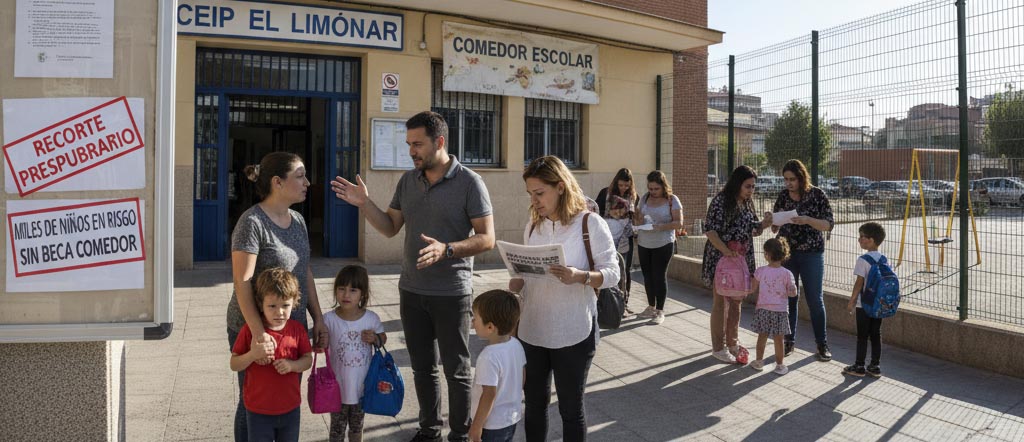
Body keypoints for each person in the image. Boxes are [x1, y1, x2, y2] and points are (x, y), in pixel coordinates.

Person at [330, 111, 495, 442]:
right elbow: (391, 227)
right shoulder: (408, 181)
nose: (411, 151)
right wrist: (365, 204)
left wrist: (447, 249)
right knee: (423, 368)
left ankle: (459, 434)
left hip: (451, 292)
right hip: (412, 290)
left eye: (417, 144)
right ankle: (429, 430)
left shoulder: (470, 182)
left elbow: (487, 238)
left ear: (440, 142)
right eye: (409, 144)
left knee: (457, 370)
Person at [510, 155, 620, 442]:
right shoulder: (533, 226)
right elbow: (527, 277)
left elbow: (613, 273)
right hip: (533, 329)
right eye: (530, 194)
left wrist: (580, 276)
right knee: (534, 405)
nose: (534, 200)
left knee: (571, 409)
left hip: (573, 331)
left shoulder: (590, 223)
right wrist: (517, 282)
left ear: (560, 187)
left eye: (539, 193)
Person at [228, 152, 328, 442]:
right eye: (300, 176)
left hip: (292, 327)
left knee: (284, 396)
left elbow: (304, 270)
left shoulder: (298, 221)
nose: (307, 182)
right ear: (277, 182)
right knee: (253, 402)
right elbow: (242, 282)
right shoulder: (252, 222)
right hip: (253, 327)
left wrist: (318, 318)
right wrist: (259, 335)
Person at [230, 268, 314, 442]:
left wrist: (292, 365)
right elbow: (234, 364)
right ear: (260, 304)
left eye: (285, 305)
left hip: (290, 409)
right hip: (258, 412)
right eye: (272, 306)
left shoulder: (297, 330)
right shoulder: (250, 332)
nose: (279, 312)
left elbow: (307, 360)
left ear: (294, 303)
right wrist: (252, 355)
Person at [703, 165, 772, 363]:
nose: (751, 190)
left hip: (742, 259)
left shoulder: (747, 203)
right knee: (720, 302)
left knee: (736, 300)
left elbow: (753, 229)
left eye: (753, 186)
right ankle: (718, 347)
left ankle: (732, 343)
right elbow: (710, 231)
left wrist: (765, 224)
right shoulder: (721, 201)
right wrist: (726, 250)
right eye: (747, 186)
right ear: (737, 184)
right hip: (722, 259)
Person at [772, 159, 835, 361]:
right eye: (786, 179)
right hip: (787, 254)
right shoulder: (783, 196)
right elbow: (774, 226)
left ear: (801, 177)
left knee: (815, 299)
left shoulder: (817, 195)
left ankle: (822, 344)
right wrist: (772, 221)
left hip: (812, 254)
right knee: (790, 298)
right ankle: (789, 341)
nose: (788, 183)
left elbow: (828, 224)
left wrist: (807, 220)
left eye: (792, 179)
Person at [324, 265, 388, 442]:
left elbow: (383, 338)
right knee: (336, 429)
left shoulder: (371, 318)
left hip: (362, 387)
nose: (346, 295)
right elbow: (320, 341)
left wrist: (375, 338)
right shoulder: (328, 319)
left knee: (357, 427)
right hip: (336, 388)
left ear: (363, 294)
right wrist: (320, 342)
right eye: (341, 289)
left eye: (353, 290)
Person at [468, 290, 526, 442]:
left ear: (490, 327)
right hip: (510, 419)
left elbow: (489, 394)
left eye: (475, 318)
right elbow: (522, 376)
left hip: (491, 425)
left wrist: (476, 426)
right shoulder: (516, 345)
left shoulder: (488, 356)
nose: (473, 322)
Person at [634, 170, 684, 325]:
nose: (653, 192)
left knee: (659, 276)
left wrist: (660, 226)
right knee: (647, 276)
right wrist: (637, 220)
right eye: (650, 188)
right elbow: (638, 218)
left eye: (656, 189)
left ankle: (660, 310)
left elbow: (679, 223)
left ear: (663, 186)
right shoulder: (644, 198)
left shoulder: (672, 200)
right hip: (644, 242)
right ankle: (650, 306)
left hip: (663, 242)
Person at [843, 222, 887, 378]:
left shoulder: (863, 259)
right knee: (876, 334)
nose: (859, 239)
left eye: (862, 237)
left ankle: (859, 366)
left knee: (862, 335)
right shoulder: (884, 259)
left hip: (864, 304)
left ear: (872, 240)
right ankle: (875, 366)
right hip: (879, 303)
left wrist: (852, 300)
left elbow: (859, 283)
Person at [748, 238, 798, 375]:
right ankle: (780, 366)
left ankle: (759, 362)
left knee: (762, 336)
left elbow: (752, 288)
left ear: (767, 254)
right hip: (780, 310)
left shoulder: (760, 271)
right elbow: (793, 293)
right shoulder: (787, 273)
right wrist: (791, 290)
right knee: (779, 339)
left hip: (763, 309)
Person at [595, 168, 639, 295]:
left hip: (625, 238)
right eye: (620, 185)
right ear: (616, 183)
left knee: (625, 268)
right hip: (607, 237)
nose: (623, 188)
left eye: (627, 185)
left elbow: (635, 217)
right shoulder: (605, 193)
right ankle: (606, 297)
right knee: (606, 266)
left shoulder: (634, 197)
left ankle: (624, 298)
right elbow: (596, 212)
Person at [603, 195, 635, 316]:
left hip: (622, 252)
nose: (618, 213)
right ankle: (609, 304)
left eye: (621, 211)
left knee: (622, 278)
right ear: (610, 209)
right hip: (609, 254)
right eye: (615, 210)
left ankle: (622, 305)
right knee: (610, 279)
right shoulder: (604, 221)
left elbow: (631, 233)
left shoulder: (626, 221)